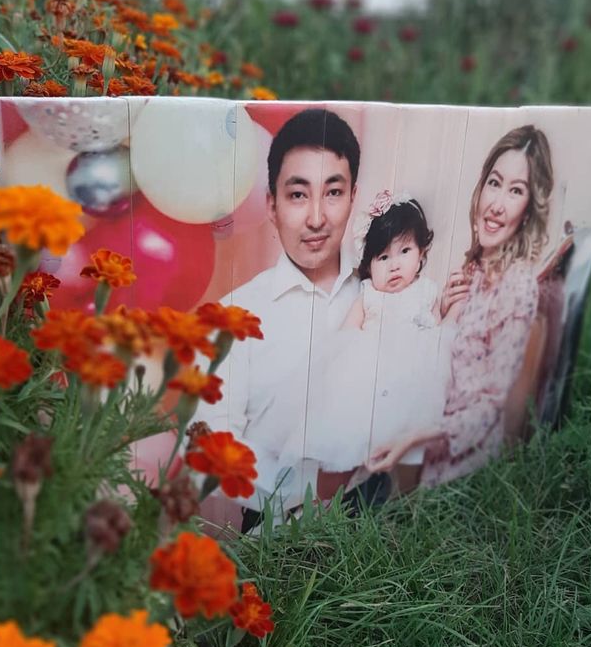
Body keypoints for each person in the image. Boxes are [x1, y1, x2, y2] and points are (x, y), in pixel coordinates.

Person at [191, 107, 362, 518]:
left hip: (389, 519)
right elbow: (209, 447)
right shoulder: (232, 316)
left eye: (333, 192)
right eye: (298, 195)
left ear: (353, 197)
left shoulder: (381, 292)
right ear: (271, 205)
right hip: (276, 533)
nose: (317, 218)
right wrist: (310, 490)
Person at [367, 124, 553, 485]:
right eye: (494, 183)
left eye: (516, 191)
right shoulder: (473, 269)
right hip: (427, 449)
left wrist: (413, 437)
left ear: (529, 210)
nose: (497, 205)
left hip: (465, 470)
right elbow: (445, 361)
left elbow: (490, 408)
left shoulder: (518, 286)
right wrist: (440, 312)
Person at [278, 192, 455, 495]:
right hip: (368, 382)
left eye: (404, 251)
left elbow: (437, 336)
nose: (394, 265)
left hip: (409, 382)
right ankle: (323, 504)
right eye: (383, 257)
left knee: (404, 461)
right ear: (369, 265)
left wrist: (448, 308)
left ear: (421, 253)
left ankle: (393, 497)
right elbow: (345, 338)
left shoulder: (426, 291)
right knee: (343, 440)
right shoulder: (369, 295)